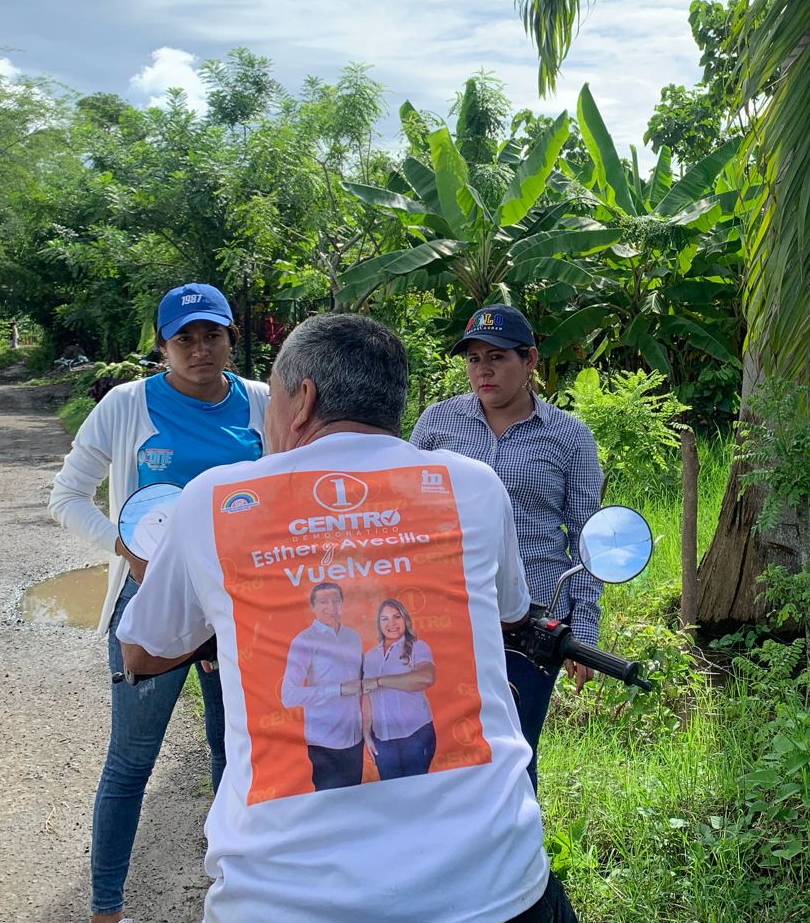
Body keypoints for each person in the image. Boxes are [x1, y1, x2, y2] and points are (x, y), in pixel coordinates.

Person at [115, 312, 577, 923]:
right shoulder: (473, 484)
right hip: (494, 885)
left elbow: (141, 651)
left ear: (302, 400)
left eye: (273, 397)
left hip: (282, 900)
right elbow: (511, 611)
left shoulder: (214, 498)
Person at [49, 282, 269, 923]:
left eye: (213, 335)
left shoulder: (262, 402)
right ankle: (105, 909)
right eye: (184, 338)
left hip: (238, 610)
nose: (200, 349)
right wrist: (127, 550)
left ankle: (236, 894)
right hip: (149, 606)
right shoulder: (126, 406)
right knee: (130, 762)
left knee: (236, 755)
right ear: (162, 346)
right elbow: (66, 497)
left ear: (231, 338)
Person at [408, 304, 602, 785]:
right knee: (441, 748)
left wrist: (584, 629)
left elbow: (588, 538)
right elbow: (408, 517)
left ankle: (520, 834)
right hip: (447, 612)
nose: (483, 370)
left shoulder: (569, 437)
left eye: (497, 357)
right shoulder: (437, 424)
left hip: (534, 619)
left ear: (529, 359)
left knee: (515, 750)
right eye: (474, 359)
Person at [279, 581, 364, 792]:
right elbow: (288, 695)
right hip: (325, 741)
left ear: (343, 604)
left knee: (356, 799)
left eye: (336, 600)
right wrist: (338, 689)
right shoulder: (304, 641)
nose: (331, 607)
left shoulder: (353, 637)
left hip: (355, 737)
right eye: (324, 602)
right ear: (313, 607)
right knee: (330, 804)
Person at [361, 597, 437, 780]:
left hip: (415, 735)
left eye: (396, 617)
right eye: (385, 619)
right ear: (379, 624)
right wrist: (366, 734)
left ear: (405, 619)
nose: (392, 623)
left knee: (416, 789)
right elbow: (367, 697)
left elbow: (426, 678)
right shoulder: (370, 656)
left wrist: (379, 681)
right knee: (392, 792)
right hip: (382, 739)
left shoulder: (418, 647)